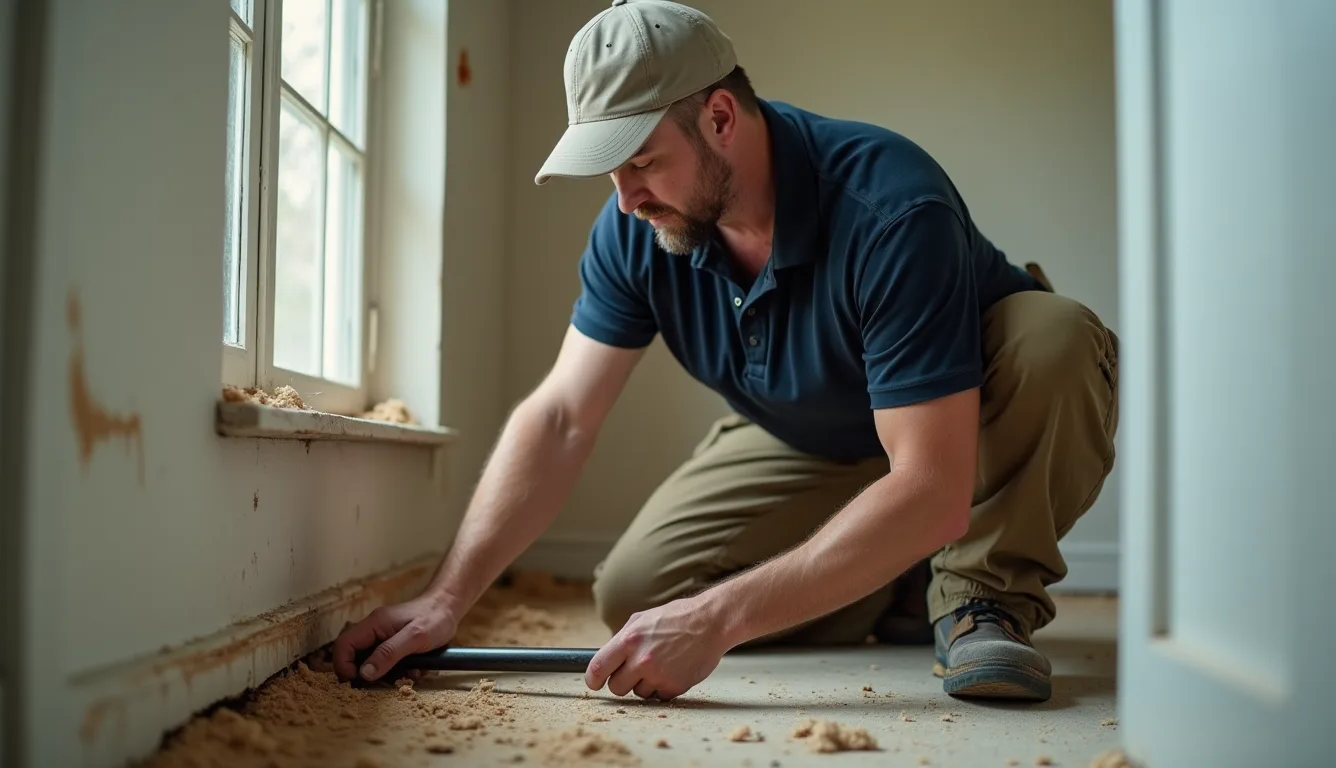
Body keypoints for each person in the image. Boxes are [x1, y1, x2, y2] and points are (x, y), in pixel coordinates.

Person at [332, 0, 1118, 704]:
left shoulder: (890, 207)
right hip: (812, 434)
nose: (627, 200)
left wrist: (720, 619)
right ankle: (907, 577)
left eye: (641, 161)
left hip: (962, 422)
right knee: (639, 594)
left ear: (719, 118)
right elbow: (564, 415)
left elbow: (931, 482)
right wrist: (446, 599)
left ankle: (981, 597)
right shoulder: (635, 229)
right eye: (610, 172)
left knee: (1058, 339)